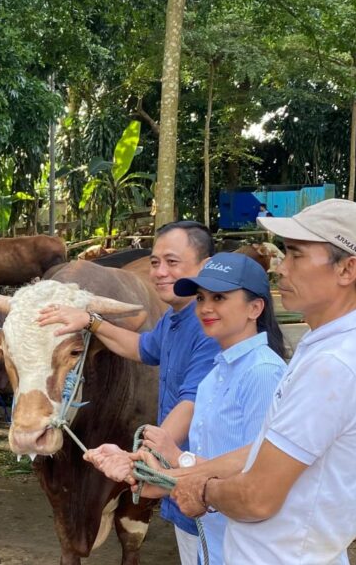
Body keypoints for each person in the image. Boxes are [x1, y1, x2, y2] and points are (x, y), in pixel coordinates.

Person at [163, 199, 356, 564]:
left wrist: (203, 491)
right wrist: (176, 471)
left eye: (296, 255)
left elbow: (257, 496)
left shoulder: (332, 366)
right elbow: (263, 452)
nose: (281, 269)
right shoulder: (327, 350)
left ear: (348, 269)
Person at [83, 252, 287, 565]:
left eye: (219, 297)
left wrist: (172, 465)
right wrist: (134, 464)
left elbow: (260, 474)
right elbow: (207, 465)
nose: (205, 308)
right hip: (213, 538)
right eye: (202, 297)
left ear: (255, 307)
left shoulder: (263, 372)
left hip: (250, 547)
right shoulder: (216, 373)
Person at [36, 221, 221, 565]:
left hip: (207, 477)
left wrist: (142, 456)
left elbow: (194, 401)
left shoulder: (209, 322)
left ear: (205, 266)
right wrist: (90, 322)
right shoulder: (175, 318)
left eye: (172, 262)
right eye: (154, 262)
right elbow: (141, 347)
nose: (160, 273)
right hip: (183, 475)